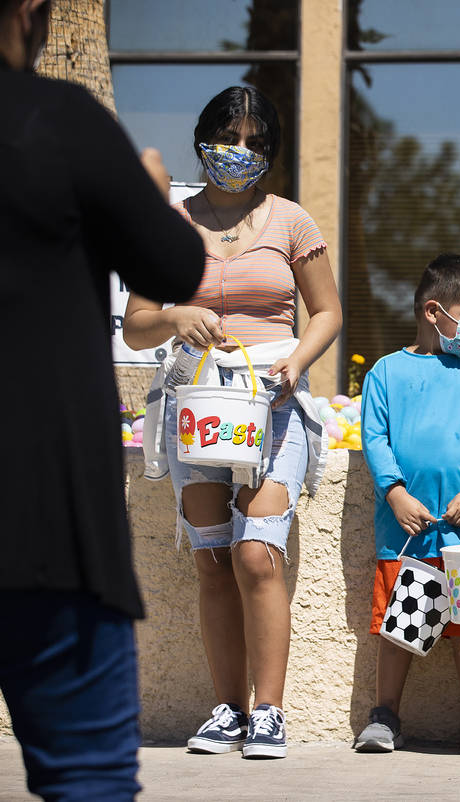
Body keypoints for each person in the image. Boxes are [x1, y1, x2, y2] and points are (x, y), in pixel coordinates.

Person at [0, 0, 206, 797]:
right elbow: (173, 268)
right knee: (86, 784)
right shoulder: (59, 120)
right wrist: (152, 194)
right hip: (50, 533)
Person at [123, 86, 342, 760]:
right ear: (203, 139)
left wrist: (297, 361)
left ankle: (269, 712)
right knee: (214, 559)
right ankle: (227, 709)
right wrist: (173, 317)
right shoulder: (170, 222)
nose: (239, 151)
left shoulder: (292, 222)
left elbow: (329, 312)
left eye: (254, 142)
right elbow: (136, 325)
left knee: (256, 553)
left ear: (269, 154)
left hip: (271, 405)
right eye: (228, 137)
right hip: (196, 404)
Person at [355, 254, 460, 755]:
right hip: (406, 535)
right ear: (434, 311)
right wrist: (394, 492)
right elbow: (374, 437)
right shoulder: (387, 372)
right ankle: (386, 716)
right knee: (400, 626)